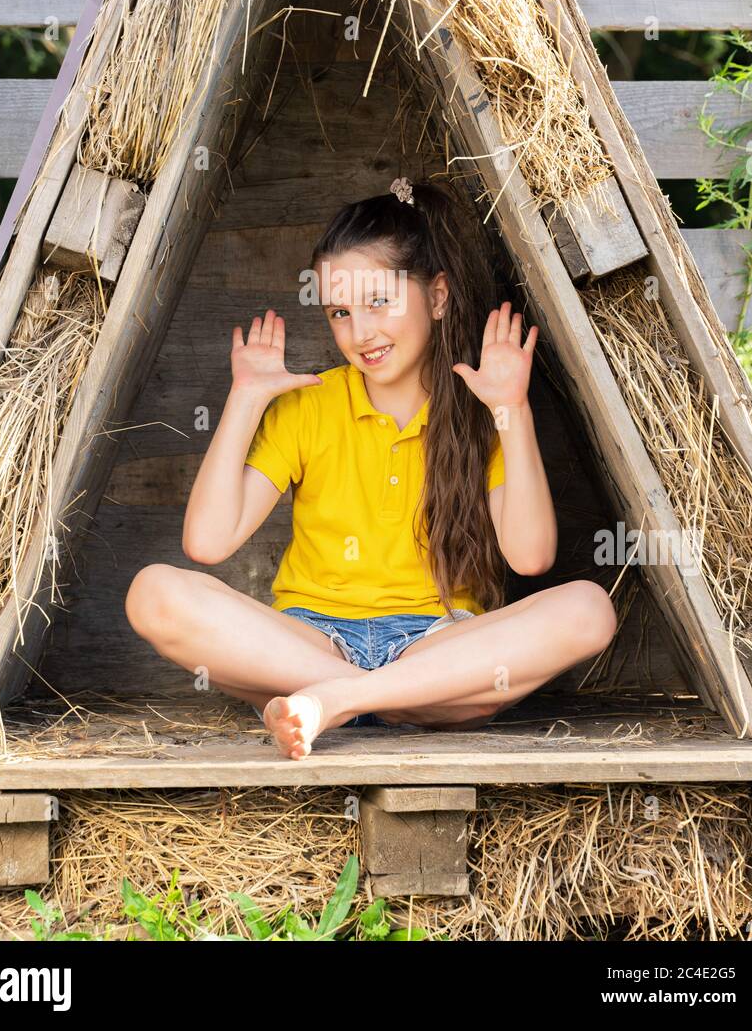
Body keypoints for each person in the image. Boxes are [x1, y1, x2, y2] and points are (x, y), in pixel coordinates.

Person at [125, 178, 617, 760]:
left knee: (589, 608)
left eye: (379, 302)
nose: (361, 333)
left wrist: (511, 407)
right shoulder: (308, 405)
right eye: (340, 311)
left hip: (436, 647)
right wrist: (245, 398)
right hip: (310, 642)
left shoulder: (483, 411)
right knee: (152, 592)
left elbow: (530, 557)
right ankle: (361, 694)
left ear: (437, 297)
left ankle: (333, 703)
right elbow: (207, 543)